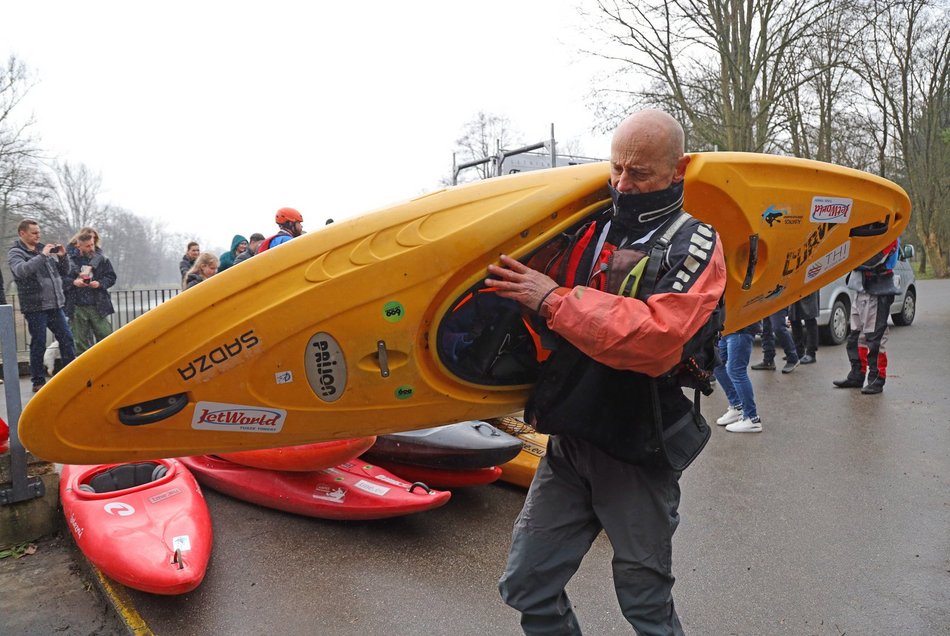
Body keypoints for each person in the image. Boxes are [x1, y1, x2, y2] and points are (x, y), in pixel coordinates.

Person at [487, 109, 726, 635]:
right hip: (572, 440)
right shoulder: (586, 228)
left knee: (645, 604)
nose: (622, 184)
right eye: (616, 169)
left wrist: (552, 300)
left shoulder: (698, 242)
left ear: (678, 169)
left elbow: (659, 340)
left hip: (638, 445)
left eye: (639, 173)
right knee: (526, 585)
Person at [7, 219, 77, 392]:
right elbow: (22, 271)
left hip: (55, 304)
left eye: (39, 232)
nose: (38, 235)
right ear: (22, 233)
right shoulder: (16, 252)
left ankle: (71, 376)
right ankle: (38, 381)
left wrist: (62, 257)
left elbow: (64, 272)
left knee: (67, 339)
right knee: (38, 343)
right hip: (35, 306)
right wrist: (43, 255)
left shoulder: (42, 249)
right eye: (34, 233)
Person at [833, 240, 900, 394]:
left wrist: (853, 261)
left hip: (878, 288)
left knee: (875, 337)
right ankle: (857, 374)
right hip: (861, 286)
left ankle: (877, 379)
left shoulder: (889, 234)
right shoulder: (866, 231)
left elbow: (873, 260)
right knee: (856, 336)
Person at [64, 229, 117, 355]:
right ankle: (85, 370)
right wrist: (73, 283)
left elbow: (111, 277)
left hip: (98, 304)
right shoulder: (67, 260)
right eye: (88, 246)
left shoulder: (102, 260)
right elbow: (60, 279)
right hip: (77, 305)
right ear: (78, 245)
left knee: (106, 336)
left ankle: (106, 364)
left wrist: (100, 284)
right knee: (79, 341)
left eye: (92, 244)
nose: (91, 248)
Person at [714, 321, 763, 433]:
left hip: (741, 326)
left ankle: (751, 418)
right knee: (717, 364)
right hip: (725, 327)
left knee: (736, 371)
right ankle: (737, 406)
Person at [750, 306, 800, 373]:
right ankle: (768, 361)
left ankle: (793, 358)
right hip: (765, 302)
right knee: (766, 329)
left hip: (777, 300)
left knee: (778, 328)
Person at [789, 290, 819, 364]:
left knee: (810, 318)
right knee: (794, 318)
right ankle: (798, 352)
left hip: (809, 285)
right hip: (794, 287)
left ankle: (811, 354)